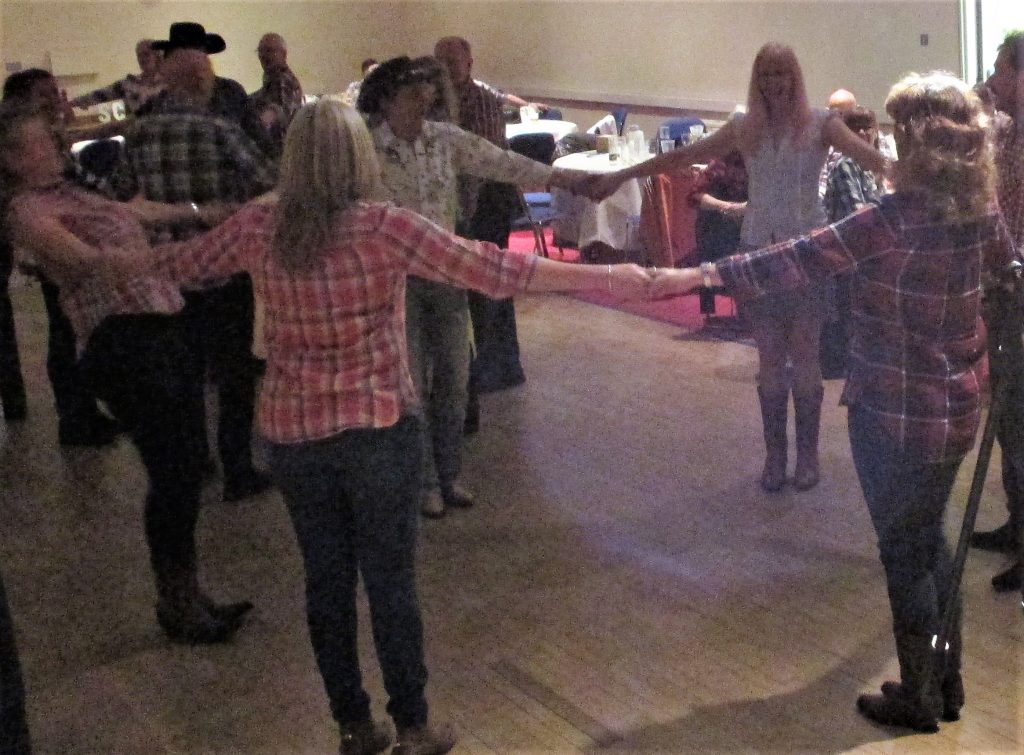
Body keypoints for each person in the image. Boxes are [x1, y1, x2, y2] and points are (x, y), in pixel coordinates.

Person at [152, 98, 651, 755]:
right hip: (376, 427)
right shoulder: (383, 226)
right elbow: (497, 268)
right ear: (359, 154)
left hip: (295, 436)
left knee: (325, 583)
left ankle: (354, 726)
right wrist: (610, 276)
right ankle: (413, 726)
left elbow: (182, 267)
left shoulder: (258, 225)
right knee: (390, 585)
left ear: (292, 158)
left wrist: (97, 250)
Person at [649, 71, 1011, 733]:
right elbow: (1008, 278)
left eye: (903, 131)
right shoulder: (980, 212)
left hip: (890, 413)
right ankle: (943, 682)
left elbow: (792, 260)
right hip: (957, 407)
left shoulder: (890, 218)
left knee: (907, 554)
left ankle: (920, 694)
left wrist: (691, 273)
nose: (894, 144)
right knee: (933, 547)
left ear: (923, 139)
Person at [0, 102, 253, 644]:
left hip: (160, 323)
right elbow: (82, 260)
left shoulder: (76, 192)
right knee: (173, 469)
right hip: (122, 338)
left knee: (185, 466)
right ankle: (177, 600)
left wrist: (210, 211)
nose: (53, 144)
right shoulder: (25, 209)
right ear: (12, 158)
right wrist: (180, 255)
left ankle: (187, 591)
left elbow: (145, 213)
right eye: (40, 141)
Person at [589, 42, 886, 493]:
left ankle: (807, 457)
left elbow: (873, 159)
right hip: (756, 250)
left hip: (807, 251)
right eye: (766, 74)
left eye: (781, 73)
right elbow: (679, 158)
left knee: (805, 357)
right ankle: (775, 456)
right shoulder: (744, 127)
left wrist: (920, 177)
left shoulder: (823, 124)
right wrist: (618, 176)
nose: (774, 83)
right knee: (768, 359)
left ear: (795, 77)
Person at [357, 56, 589, 519]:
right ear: (387, 100)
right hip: (394, 279)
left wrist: (564, 177)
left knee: (454, 379)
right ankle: (421, 481)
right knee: (411, 383)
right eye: (413, 98)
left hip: (446, 273)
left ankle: (448, 474)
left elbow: (500, 162)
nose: (423, 107)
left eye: (427, 99)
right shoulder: (366, 147)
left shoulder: (443, 140)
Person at [112, 26, 278, 503]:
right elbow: (266, 182)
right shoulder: (219, 130)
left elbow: (122, 190)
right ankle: (238, 469)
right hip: (223, 269)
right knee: (233, 375)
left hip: (165, 272)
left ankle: (195, 460)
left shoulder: (138, 132)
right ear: (204, 81)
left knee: (182, 372)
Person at [2, 69, 121, 445]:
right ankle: (74, 416)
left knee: (67, 327)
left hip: (55, 243)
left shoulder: (42, 138)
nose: (58, 98)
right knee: (64, 329)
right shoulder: (25, 147)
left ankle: (78, 411)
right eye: (47, 94)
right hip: (53, 246)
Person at [434, 36, 529, 397]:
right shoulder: (438, 103)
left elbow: (482, 162)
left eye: (451, 63)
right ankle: (486, 368)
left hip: (486, 203)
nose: (444, 69)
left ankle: (493, 369)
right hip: (460, 206)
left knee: (489, 286)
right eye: (438, 62)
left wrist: (464, 216)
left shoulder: (484, 102)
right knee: (477, 288)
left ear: (468, 65)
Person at [971, 29, 1024, 592]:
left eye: (1001, 70)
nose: (993, 79)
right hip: (1004, 291)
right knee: (1009, 417)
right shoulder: (1005, 133)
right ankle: (1018, 525)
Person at [820, 106, 885, 377]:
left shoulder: (867, 165)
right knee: (848, 312)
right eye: (855, 127)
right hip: (844, 254)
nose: (862, 132)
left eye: (866, 126)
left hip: (859, 252)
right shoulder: (847, 163)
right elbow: (859, 214)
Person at [686, 150, 747, 318]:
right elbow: (696, 195)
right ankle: (709, 311)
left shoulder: (766, 161)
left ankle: (747, 311)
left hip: (753, 214)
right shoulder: (723, 160)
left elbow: (768, 197)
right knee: (711, 230)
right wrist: (726, 206)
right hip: (721, 218)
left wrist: (744, 209)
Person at [70, 39, 164, 116]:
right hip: (137, 134)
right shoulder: (128, 84)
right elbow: (100, 95)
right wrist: (72, 103)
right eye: (139, 55)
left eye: (146, 54)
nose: (142, 59)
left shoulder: (169, 82)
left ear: (157, 55)